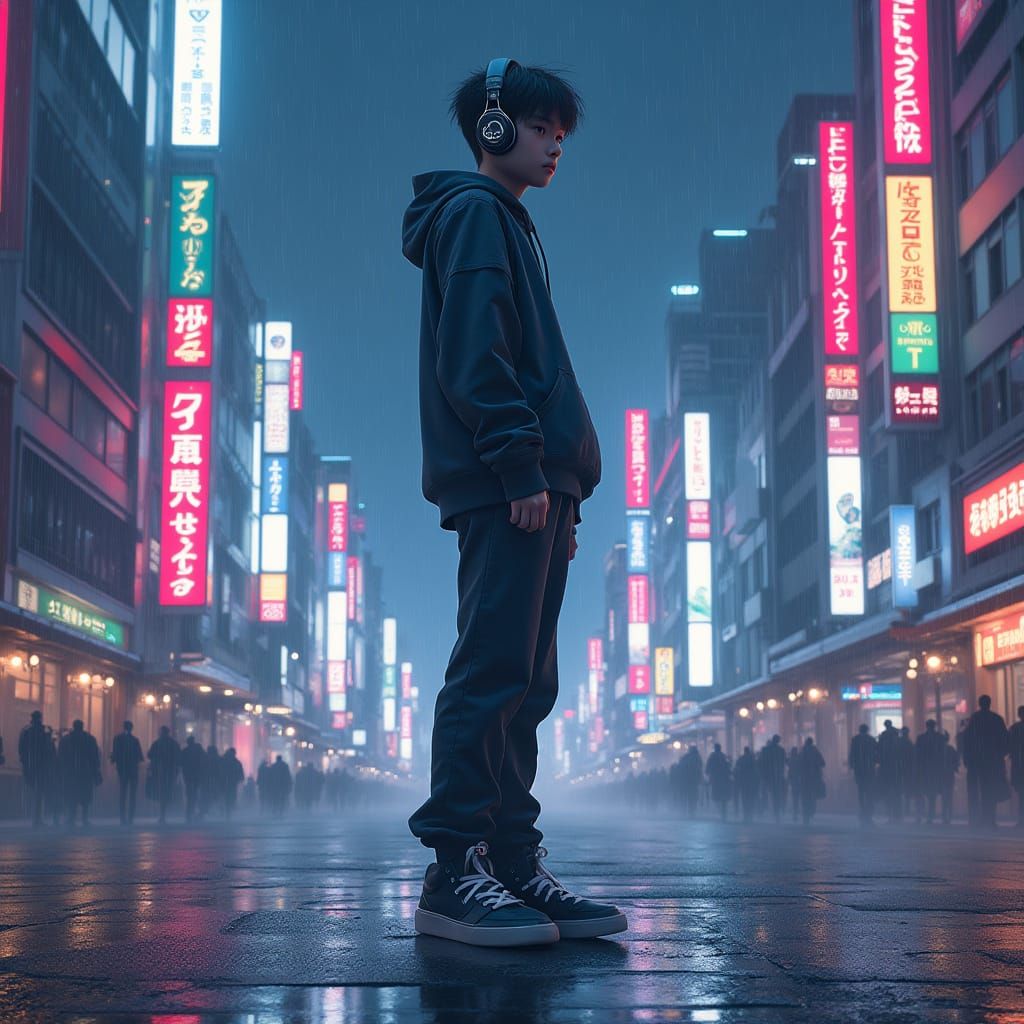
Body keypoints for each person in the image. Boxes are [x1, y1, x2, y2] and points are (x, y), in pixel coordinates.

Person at [401, 58, 622, 949]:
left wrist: (559, 483)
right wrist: (521, 467)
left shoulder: (511, 223)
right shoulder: (475, 215)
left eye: (561, 130)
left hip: (538, 483)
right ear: (493, 130)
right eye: (538, 126)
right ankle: (455, 870)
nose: (555, 141)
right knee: (492, 668)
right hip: (511, 482)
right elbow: (475, 356)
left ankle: (512, 860)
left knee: (527, 679)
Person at [962, 695, 1009, 830]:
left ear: (979, 704)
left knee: (978, 790)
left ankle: (979, 819)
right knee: (991, 790)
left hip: (977, 762)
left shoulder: (974, 719)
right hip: (992, 761)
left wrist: (968, 757)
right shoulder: (996, 719)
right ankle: (991, 818)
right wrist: (999, 755)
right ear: (990, 703)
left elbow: (968, 739)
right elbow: (1004, 739)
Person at [57, 720, 102, 827]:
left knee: (71, 795)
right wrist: (95, 770)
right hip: (85, 772)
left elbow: (60, 757)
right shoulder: (89, 739)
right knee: (84, 797)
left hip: (70, 772)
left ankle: (71, 817)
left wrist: (60, 770)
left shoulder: (66, 740)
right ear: (82, 727)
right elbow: (95, 757)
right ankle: (84, 818)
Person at [17, 711, 52, 827]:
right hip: (41, 766)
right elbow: (47, 749)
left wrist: (24, 761)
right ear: (40, 718)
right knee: (39, 792)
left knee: (34, 791)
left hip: (30, 765)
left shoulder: (26, 731)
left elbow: (21, 749)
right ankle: (36, 819)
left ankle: (32, 817)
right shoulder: (43, 731)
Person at [110, 720, 144, 825]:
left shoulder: (118, 739)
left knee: (123, 793)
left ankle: (122, 817)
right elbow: (140, 756)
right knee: (132, 794)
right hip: (132, 770)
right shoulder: (135, 740)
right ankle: (130, 817)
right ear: (131, 728)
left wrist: (114, 760)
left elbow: (115, 753)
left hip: (123, 769)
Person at [147, 725, 180, 825]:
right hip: (170, 771)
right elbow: (178, 757)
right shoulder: (173, 744)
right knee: (167, 791)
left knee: (161, 792)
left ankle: (162, 814)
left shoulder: (157, 743)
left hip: (159, 771)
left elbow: (149, 755)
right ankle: (164, 812)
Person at [915, 720, 945, 825]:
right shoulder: (940, 738)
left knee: (922, 793)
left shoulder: (921, 738)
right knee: (932, 794)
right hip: (934, 770)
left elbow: (917, 754)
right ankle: (930, 816)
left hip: (924, 770)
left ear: (926, 726)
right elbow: (942, 754)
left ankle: (921, 815)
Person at [848, 724, 878, 826]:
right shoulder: (871, 740)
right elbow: (876, 754)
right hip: (869, 770)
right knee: (869, 792)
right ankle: (868, 813)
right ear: (867, 730)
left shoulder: (855, 740)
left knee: (861, 792)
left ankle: (862, 811)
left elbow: (852, 754)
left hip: (859, 771)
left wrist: (852, 766)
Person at [877, 719, 901, 822]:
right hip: (896, 769)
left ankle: (890, 814)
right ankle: (897, 814)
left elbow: (879, 752)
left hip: (886, 768)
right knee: (896, 793)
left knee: (887, 792)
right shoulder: (897, 737)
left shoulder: (883, 737)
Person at [798, 737, 825, 825]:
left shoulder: (803, 751)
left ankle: (806, 814)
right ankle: (811, 811)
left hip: (804, 778)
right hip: (814, 778)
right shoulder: (815, 751)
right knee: (812, 795)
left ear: (806, 743)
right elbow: (823, 763)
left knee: (805, 796)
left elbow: (799, 764)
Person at [761, 735, 787, 823]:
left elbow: (761, 763)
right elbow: (784, 763)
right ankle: (776, 813)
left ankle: (773, 812)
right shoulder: (781, 750)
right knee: (777, 795)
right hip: (777, 776)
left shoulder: (766, 750)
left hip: (769, 776)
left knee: (769, 794)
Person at [179, 735, 204, 823]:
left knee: (190, 794)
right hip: (196, 775)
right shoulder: (198, 750)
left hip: (188, 775)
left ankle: (189, 813)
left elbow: (180, 763)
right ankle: (193, 811)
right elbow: (203, 760)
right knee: (195, 793)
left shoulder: (185, 751)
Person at [705, 743, 732, 821]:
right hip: (724, 779)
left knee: (717, 796)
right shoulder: (724, 756)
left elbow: (707, 767)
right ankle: (724, 812)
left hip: (716, 779)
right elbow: (728, 766)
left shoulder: (712, 756)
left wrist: (707, 773)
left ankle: (721, 812)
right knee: (723, 796)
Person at [1009, 706, 1024, 829]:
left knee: (1021, 796)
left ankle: (1021, 820)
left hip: (1019, 766)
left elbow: (1009, 746)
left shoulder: (1014, 729)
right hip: (1018, 765)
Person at [940, 730, 959, 825]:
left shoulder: (938, 750)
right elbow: (956, 761)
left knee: (944, 796)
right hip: (949, 775)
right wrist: (955, 768)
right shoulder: (951, 749)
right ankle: (948, 816)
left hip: (943, 775)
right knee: (948, 796)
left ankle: (945, 816)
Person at [734, 747, 758, 823]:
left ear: (744, 751)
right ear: (749, 751)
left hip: (743, 782)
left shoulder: (741, 759)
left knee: (744, 800)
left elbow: (736, 769)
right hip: (751, 782)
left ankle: (745, 816)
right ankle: (750, 816)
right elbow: (756, 770)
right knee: (751, 799)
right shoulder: (752, 759)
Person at [678, 745, 703, 818]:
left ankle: (684, 811)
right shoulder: (697, 758)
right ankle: (692, 811)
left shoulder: (685, 757)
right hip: (694, 780)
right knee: (693, 796)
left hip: (685, 780)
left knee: (685, 796)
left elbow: (680, 768)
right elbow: (700, 768)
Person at [221, 747, 244, 819]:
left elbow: (240, 771)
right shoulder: (233, 761)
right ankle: (228, 811)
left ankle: (228, 811)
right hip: (229, 782)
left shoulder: (227, 761)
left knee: (230, 797)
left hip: (230, 782)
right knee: (229, 797)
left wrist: (240, 778)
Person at [787, 745, 802, 822]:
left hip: (794, 781)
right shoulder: (799, 759)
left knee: (795, 797)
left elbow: (789, 771)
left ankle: (795, 812)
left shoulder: (791, 760)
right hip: (799, 780)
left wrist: (789, 780)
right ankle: (798, 810)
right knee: (799, 796)